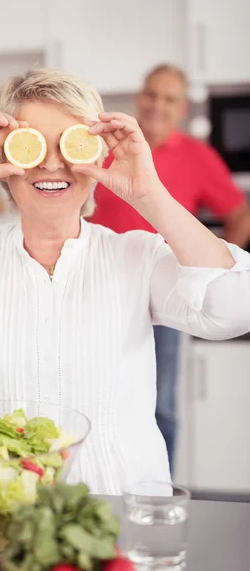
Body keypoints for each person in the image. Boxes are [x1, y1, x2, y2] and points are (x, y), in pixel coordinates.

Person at [0, 68, 250, 496]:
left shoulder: (138, 257)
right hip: (4, 519)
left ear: (96, 158)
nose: (53, 162)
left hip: (122, 517)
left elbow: (235, 307)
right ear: (6, 163)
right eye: (33, 144)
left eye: (71, 144)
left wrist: (149, 195)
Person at [90, 64, 250, 472]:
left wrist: (210, 269)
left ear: (181, 108)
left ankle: (159, 496)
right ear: (140, 97)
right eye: (152, 95)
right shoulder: (105, 145)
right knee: (93, 398)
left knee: (160, 405)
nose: (158, 105)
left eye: (169, 98)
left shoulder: (199, 157)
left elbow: (240, 214)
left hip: (164, 295)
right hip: (98, 290)